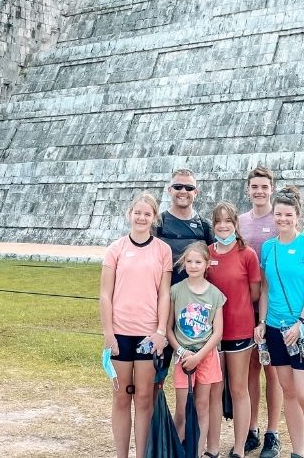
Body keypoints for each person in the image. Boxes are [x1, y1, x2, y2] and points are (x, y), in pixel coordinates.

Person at [253, 186, 304, 458]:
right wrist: (262, 322)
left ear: (297, 216)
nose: (282, 219)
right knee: (289, 392)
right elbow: (265, 289)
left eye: (287, 214)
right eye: (278, 214)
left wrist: (302, 324)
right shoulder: (269, 248)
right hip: (275, 328)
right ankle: (299, 451)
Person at [100, 191, 173, 458]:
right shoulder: (116, 249)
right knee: (121, 397)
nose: (141, 217)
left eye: (147, 213)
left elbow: (164, 294)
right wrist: (109, 333)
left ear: (154, 218)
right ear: (129, 214)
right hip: (120, 333)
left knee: (144, 398)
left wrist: (160, 332)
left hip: (147, 336)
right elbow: (105, 294)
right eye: (137, 212)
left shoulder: (162, 250)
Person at [206, 202, 261, 458]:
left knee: (239, 389)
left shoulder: (247, 254)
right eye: (218, 221)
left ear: (236, 224)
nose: (223, 226)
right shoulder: (208, 254)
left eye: (228, 221)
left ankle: (239, 448)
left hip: (240, 331)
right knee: (215, 391)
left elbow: (254, 293)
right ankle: (213, 448)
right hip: (213, 334)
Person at [238, 166, 283, 457]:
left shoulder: (278, 220)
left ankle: (272, 432)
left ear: (271, 189)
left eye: (264, 187)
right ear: (248, 190)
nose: (259, 192)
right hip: (246, 306)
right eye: (254, 186)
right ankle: (252, 429)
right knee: (251, 369)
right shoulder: (241, 221)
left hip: (274, 306)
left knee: (273, 371)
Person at [167, 241, 226, 457]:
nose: (193, 265)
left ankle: (198, 451)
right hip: (183, 357)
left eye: (198, 262)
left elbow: (217, 332)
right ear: (184, 263)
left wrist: (200, 356)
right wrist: (182, 352)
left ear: (207, 264)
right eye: (189, 261)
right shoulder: (175, 291)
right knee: (182, 409)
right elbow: (168, 327)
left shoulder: (215, 295)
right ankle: (177, 449)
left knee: (202, 406)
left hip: (206, 356)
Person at [156, 167, 213, 283]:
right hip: (165, 295)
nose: (183, 191)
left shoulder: (206, 226)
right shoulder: (157, 224)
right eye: (178, 187)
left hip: (196, 297)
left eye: (189, 188)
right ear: (170, 190)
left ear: (195, 192)